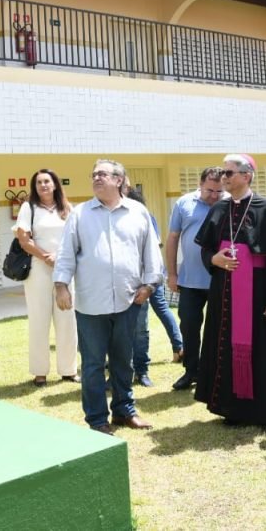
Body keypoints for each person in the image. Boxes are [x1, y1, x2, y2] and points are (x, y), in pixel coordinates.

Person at [53, 160, 163, 434]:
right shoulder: (80, 214)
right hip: (91, 304)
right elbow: (66, 252)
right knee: (92, 364)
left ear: (119, 180)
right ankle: (97, 419)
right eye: (94, 175)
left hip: (129, 300)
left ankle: (125, 412)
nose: (96, 179)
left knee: (122, 360)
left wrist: (149, 285)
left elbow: (151, 253)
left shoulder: (138, 212)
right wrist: (61, 285)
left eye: (102, 174)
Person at [194, 154, 266, 425]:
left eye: (228, 173)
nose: (223, 178)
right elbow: (205, 249)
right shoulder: (218, 209)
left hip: (258, 292)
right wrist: (214, 259)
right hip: (224, 291)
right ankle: (232, 409)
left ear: (246, 175)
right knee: (224, 344)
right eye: (222, 173)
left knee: (263, 348)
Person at [14, 169, 77, 387]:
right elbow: (24, 239)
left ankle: (69, 370)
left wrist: (59, 257)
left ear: (55, 185)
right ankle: (40, 372)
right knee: (39, 320)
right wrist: (46, 257)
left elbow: (76, 238)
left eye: (47, 181)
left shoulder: (67, 208)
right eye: (39, 182)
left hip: (65, 270)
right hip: (38, 271)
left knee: (67, 319)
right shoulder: (28, 207)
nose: (43, 185)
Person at [166, 166, 224, 391]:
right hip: (189, 280)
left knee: (219, 327)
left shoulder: (229, 203)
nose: (214, 196)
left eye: (218, 191)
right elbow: (172, 238)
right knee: (189, 325)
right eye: (209, 190)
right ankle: (192, 370)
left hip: (220, 279)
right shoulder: (184, 204)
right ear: (200, 185)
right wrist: (172, 273)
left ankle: (217, 371)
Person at [125, 184, 183, 387]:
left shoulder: (145, 217)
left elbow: (154, 249)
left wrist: (153, 279)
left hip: (146, 279)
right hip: (120, 282)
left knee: (142, 328)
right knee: (119, 330)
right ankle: (120, 371)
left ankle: (142, 370)